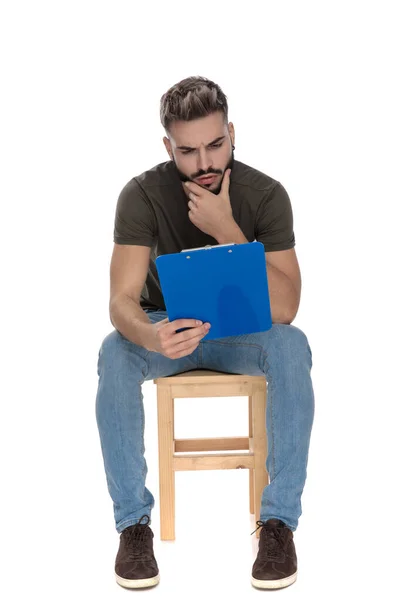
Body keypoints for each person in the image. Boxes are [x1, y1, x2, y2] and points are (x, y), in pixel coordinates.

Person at [95, 75, 315, 591]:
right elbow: (121, 302)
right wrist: (151, 338)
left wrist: (228, 230)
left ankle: (278, 523)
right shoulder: (142, 195)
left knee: (293, 346)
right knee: (114, 352)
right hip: (166, 334)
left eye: (215, 145)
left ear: (232, 133)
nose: (205, 163)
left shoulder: (265, 195)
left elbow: (285, 308)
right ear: (168, 146)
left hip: (244, 335)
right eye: (188, 151)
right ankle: (133, 526)